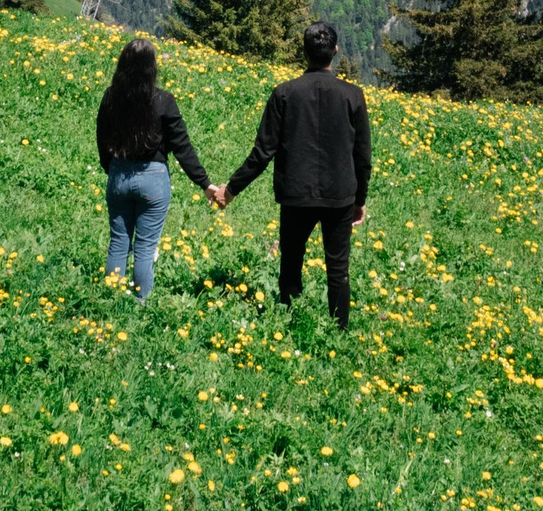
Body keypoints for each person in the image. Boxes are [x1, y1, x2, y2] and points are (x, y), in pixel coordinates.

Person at [214, 20, 371, 328]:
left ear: (304, 52)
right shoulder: (353, 96)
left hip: (296, 194)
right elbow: (362, 156)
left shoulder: (284, 94)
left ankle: (287, 325)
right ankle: (339, 331)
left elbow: (262, 152)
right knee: (338, 269)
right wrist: (359, 198)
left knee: (290, 264)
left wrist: (230, 190)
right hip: (340, 195)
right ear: (335, 52)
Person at [96, 37, 214, 300]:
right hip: (153, 178)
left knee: (118, 242)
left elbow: (101, 136)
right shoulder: (164, 101)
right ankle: (140, 304)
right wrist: (205, 184)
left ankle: (108, 301)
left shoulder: (110, 96)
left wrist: (111, 168)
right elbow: (183, 147)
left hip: (118, 174)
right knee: (145, 248)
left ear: (122, 65)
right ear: (152, 67)